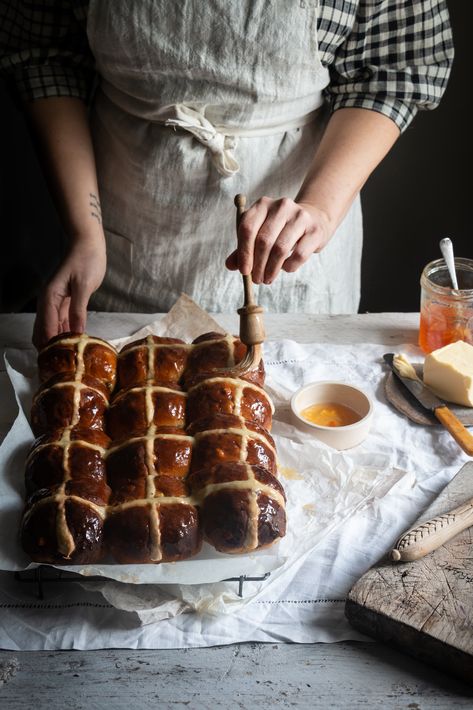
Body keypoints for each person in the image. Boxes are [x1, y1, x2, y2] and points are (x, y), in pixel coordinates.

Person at [0, 1, 453, 348]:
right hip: (127, 219)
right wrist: (85, 233)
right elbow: (47, 57)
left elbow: (392, 69)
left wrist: (319, 206)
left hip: (299, 211)